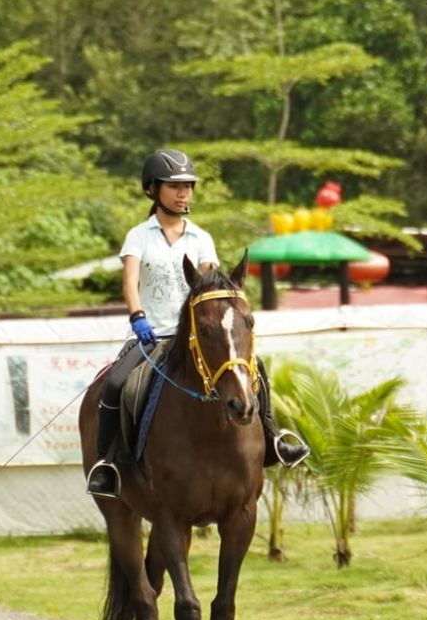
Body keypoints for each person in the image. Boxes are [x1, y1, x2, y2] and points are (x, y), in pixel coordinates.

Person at [87, 149, 309, 498]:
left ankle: (274, 438)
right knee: (116, 384)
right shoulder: (139, 236)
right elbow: (130, 281)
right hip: (152, 336)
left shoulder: (201, 238)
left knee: (256, 371)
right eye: (175, 186)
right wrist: (137, 316)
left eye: (188, 186)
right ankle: (108, 464)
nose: (183, 193)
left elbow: (211, 286)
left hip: (198, 339)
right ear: (153, 189)